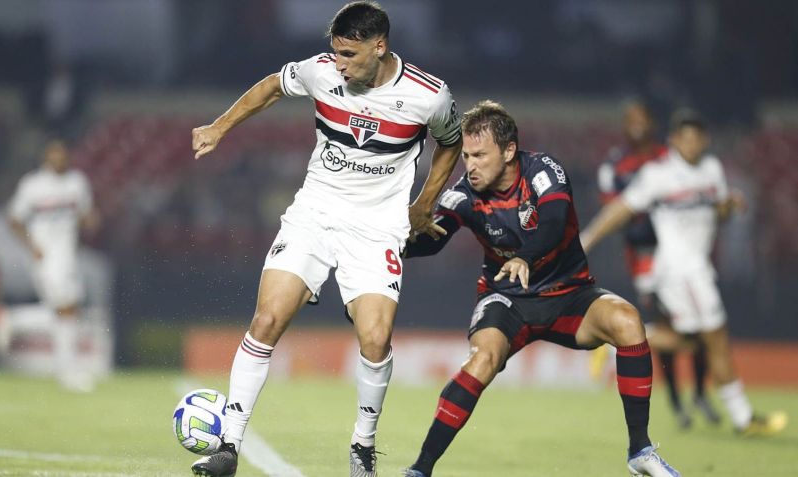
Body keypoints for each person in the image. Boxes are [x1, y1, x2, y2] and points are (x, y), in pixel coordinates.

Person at [189, 2, 463, 476]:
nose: (338, 64)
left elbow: (451, 142)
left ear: (380, 47)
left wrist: (424, 202)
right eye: (335, 53)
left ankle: (362, 446)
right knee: (268, 317)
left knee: (375, 339)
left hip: (378, 226)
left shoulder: (429, 95)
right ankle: (228, 447)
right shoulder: (320, 72)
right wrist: (219, 127)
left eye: (349, 55)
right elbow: (272, 87)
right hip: (315, 213)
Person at [402, 100, 680, 477]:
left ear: (510, 150)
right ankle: (420, 469)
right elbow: (434, 239)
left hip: (569, 294)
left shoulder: (543, 172)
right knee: (481, 361)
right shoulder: (465, 193)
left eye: (480, 155)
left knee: (628, 321)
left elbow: (553, 220)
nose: (470, 165)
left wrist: (525, 258)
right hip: (507, 299)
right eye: (466, 155)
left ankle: (639, 450)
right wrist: (394, 245)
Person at [581, 109, 787, 437]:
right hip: (679, 271)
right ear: (674, 140)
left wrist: (729, 205)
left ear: (704, 141)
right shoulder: (658, 175)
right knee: (716, 339)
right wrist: (588, 238)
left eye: (696, 138)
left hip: (699, 267)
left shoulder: (711, 169)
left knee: (692, 343)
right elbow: (622, 208)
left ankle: (611, 345)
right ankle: (743, 419)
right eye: (684, 138)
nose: (691, 145)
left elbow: (716, 212)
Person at [593, 100, 717, 428]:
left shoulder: (668, 157)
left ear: (651, 122)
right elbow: (616, 212)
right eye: (629, 119)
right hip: (646, 257)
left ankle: (701, 394)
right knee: (671, 324)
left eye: (641, 118)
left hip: (683, 251)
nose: (636, 124)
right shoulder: (614, 167)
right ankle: (679, 402)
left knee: (698, 325)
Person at [8, 138, 98, 392]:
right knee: (65, 308)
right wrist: (31, 246)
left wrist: (87, 225)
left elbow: (84, 215)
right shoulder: (32, 185)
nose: (58, 159)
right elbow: (14, 219)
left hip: (67, 256)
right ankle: (12, 320)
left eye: (62, 154)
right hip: (45, 256)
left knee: (65, 310)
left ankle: (66, 370)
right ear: (45, 157)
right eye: (54, 155)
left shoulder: (77, 182)